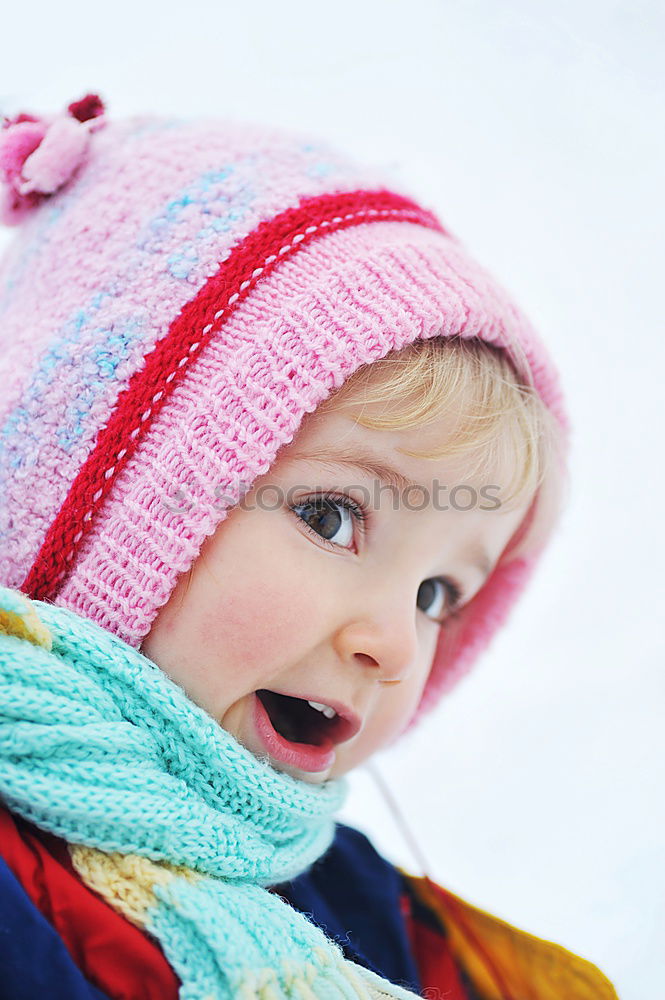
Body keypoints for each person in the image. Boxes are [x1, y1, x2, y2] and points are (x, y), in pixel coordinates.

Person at [0, 94, 618, 999]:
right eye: (332, 518)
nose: (397, 645)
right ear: (94, 501)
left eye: (437, 593)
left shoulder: (371, 918)